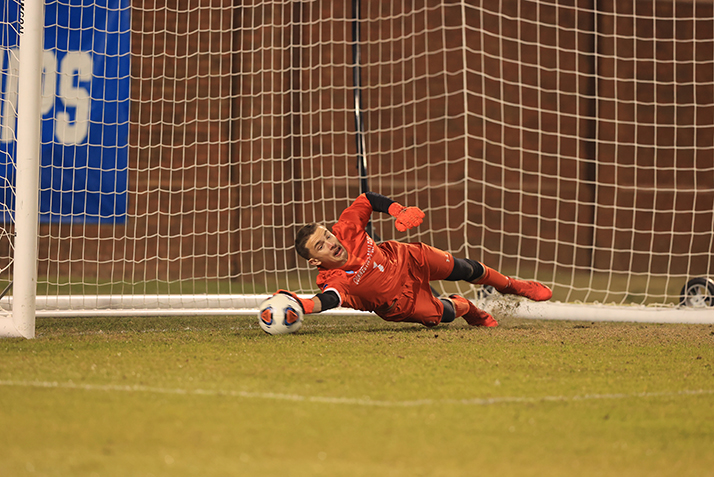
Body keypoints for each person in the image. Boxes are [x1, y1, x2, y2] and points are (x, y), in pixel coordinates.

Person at [276, 191, 552, 328]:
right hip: (400, 303)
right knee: (444, 315)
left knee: (464, 267)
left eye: (327, 235)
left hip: (406, 258)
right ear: (314, 261)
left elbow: (367, 199)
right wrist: (299, 305)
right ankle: (468, 307)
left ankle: (514, 286)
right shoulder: (333, 281)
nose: (330, 243)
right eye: (320, 245)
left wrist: (398, 209)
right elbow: (328, 300)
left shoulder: (346, 228)